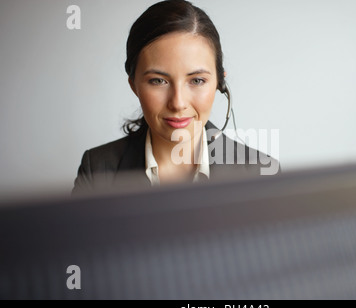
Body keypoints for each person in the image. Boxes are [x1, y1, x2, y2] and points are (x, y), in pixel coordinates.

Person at [72, 0, 279, 195]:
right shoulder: (97, 171)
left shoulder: (261, 173)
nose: (178, 103)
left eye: (197, 80)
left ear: (219, 84)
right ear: (134, 85)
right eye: (158, 81)